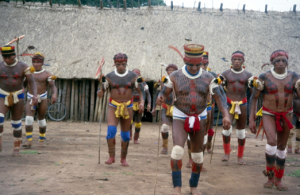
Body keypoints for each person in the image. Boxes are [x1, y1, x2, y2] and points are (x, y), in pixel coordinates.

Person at [157, 44, 231, 195]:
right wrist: (161, 97)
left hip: (200, 116)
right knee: (177, 151)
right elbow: (164, 92)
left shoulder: (209, 78)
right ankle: (177, 188)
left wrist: (226, 115)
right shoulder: (175, 76)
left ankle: (193, 187)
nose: (194, 68)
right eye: (190, 64)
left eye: (197, 65)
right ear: (185, 61)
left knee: (197, 155)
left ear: (202, 62)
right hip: (180, 116)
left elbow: (220, 96)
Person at [249, 50, 300, 191]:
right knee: (272, 142)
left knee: (282, 147)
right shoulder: (264, 77)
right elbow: (254, 98)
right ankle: (270, 177)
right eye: (278, 60)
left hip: (287, 114)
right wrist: (251, 119)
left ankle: (278, 180)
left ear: (287, 61)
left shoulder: (295, 77)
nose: (281, 63)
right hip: (268, 114)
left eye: (284, 60)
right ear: (272, 62)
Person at [97, 53, 144, 166]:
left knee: (126, 135)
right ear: (115, 64)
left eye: (123, 64)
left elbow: (141, 91)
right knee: (111, 131)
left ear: (126, 63)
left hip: (128, 106)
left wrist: (142, 102)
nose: (121, 67)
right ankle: (111, 156)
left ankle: (123, 158)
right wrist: (100, 92)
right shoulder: (109, 77)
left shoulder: (133, 76)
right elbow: (102, 91)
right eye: (118, 64)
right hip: (113, 106)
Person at [0, 45, 37, 156]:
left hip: (18, 96)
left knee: (16, 123)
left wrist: (35, 95)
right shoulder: (0, 66)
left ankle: (16, 149)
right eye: (4, 57)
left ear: (14, 55)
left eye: (9, 58)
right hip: (2, 95)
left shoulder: (23, 66)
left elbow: (32, 82)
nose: (6, 60)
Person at [221, 51, 253, 164]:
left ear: (243, 61)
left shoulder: (248, 75)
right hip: (229, 104)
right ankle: (226, 153)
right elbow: (220, 89)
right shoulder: (225, 74)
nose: (237, 62)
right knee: (226, 129)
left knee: (241, 132)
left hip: (242, 104)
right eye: (235, 59)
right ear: (231, 61)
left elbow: (253, 94)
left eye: (239, 60)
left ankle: (240, 157)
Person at [22, 52, 57, 148]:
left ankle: (41, 141)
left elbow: (53, 86)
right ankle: (28, 140)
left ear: (42, 63)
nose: (36, 64)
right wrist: (22, 88)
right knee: (29, 119)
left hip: (42, 98)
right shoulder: (28, 73)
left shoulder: (47, 74)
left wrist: (54, 94)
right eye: (34, 62)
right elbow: (23, 84)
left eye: (38, 62)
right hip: (30, 97)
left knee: (41, 120)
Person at [152, 64, 178, 154]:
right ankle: (165, 147)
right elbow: (159, 94)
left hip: (177, 108)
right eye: (169, 70)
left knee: (176, 130)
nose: (170, 71)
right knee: (164, 127)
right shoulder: (163, 81)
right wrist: (154, 107)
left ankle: (176, 148)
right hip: (166, 107)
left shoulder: (180, 81)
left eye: (173, 70)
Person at [131, 69, 151, 144]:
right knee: (129, 120)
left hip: (140, 104)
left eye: (137, 75)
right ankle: (129, 135)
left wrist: (149, 103)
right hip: (130, 103)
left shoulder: (143, 83)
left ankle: (136, 138)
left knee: (138, 121)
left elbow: (148, 94)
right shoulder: (129, 83)